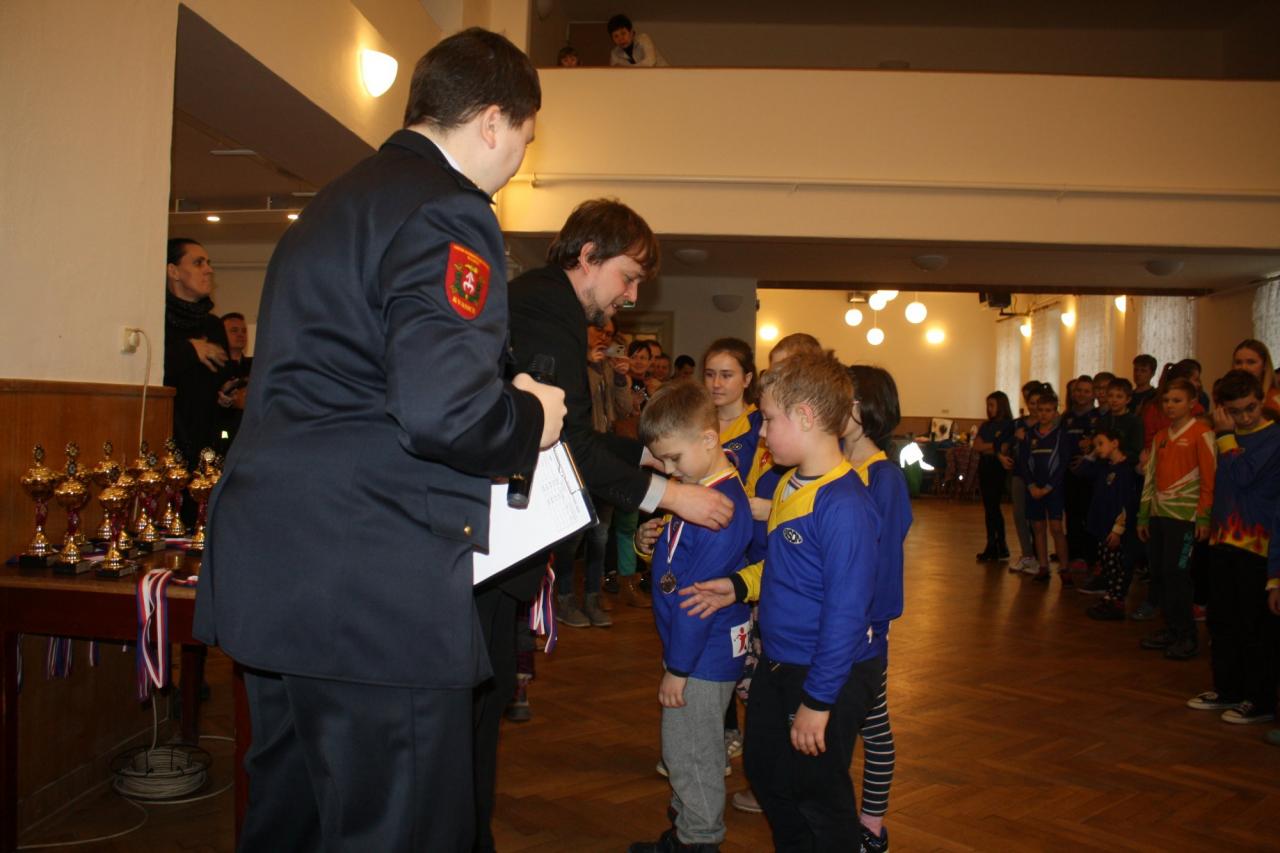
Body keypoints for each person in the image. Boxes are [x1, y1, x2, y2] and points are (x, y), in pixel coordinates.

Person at [193, 30, 567, 851]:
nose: (519, 160)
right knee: (401, 830)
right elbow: (445, 412)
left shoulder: (330, 206)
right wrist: (532, 416)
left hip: (275, 568)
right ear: (494, 121)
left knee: (289, 823)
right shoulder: (448, 209)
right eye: (526, 138)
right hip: (371, 585)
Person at [503, 197, 737, 846]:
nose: (630, 297)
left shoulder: (548, 301)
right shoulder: (548, 306)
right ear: (588, 256)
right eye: (628, 277)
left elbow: (580, 432)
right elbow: (568, 444)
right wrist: (672, 494)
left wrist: (647, 455)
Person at [679, 352, 884, 851]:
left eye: (769, 420)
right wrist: (739, 585)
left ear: (806, 417)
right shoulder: (792, 483)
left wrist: (818, 701)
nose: (763, 434)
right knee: (766, 768)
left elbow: (846, 613)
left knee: (817, 791)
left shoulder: (845, 505)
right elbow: (786, 567)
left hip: (826, 673)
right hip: (780, 662)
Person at [628, 383, 754, 853]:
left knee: (692, 752)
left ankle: (699, 840)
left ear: (708, 439)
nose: (668, 471)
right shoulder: (703, 486)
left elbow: (695, 602)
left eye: (674, 459)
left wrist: (678, 670)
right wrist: (651, 545)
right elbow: (680, 562)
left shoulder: (720, 510)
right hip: (694, 649)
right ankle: (686, 825)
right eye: (662, 461)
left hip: (700, 654)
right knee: (684, 743)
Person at [840, 364, 911, 853]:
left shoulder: (883, 477)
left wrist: (867, 626)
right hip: (837, 625)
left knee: (874, 725)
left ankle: (871, 827)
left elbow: (883, 566)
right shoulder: (839, 466)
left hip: (862, 632)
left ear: (865, 408)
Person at [1185, 370, 1280, 723]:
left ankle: (1260, 699)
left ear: (1262, 401)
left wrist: (1225, 436)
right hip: (1223, 540)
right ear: (1224, 408)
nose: (1245, 417)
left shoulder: (1273, 437)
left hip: (1257, 546)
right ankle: (1228, 689)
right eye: (1235, 411)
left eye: (1250, 408)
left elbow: (1243, 475)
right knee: (1222, 622)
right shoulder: (1227, 435)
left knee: (1253, 627)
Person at [1137, 377, 1216, 660]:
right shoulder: (1160, 436)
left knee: (1178, 574)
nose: (1170, 405)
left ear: (1192, 403)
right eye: (1167, 401)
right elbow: (1150, 478)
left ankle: (1187, 635)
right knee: (1160, 573)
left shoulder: (1202, 432)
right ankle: (1171, 628)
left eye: (1177, 400)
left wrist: (1204, 518)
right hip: (1159, 516)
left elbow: (1209, 479)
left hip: (1185, 518)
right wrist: (1143, 516)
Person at [164, 238, 230, 467]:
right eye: (198, 263)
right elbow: (151, 370)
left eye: (208, 263)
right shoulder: (155, 319)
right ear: (173, 271)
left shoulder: (213, 325)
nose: (209, 270)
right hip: (167, 437)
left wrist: (228, 394)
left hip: (208, 440)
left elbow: (221, 379)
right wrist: (190, 350)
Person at [1080, 428, 1141, 620]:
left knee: (1118, 567)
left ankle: (1117, 601)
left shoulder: (1126, 470)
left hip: (1116, 530)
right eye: (1095, 445)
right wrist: (1092, 452)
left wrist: (1118, 530)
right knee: (1108, 564)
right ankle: (1110, 597)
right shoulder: (1104, 467)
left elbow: (1126, 503)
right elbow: (1082, 471)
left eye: (1101, 444)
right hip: (1103, 527)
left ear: (1115, 443)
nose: (1097, 449)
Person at [1019, 386, 1071, 585]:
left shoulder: (1061, 434)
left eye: (1048, 410)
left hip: (1053, 489)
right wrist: (1032, 486)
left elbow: (1063, 464)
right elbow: (1023, 463)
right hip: (1034, 489)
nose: (1043, 414)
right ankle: (1043, 566)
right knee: (1038, 528)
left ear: (1055, 412)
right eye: (1040, 410)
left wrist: (1048, 487)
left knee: (1056, 528)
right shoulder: (1029, 435)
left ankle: (1064, 568)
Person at [1001, 381, 1045, 574]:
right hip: (1019, 473)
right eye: (1031, 403)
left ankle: (1040, 558)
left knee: (1037, 518)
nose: (1034, 407)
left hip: (1040, 475)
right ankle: (1027, 555)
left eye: (1038, 403)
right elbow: (1002, 444)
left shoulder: (1048, 425)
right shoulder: (1018, 424)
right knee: (1019, 514)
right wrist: (1003, 454)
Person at [1062, 375, 1100, 578]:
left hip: (1090, 475)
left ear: (1093, 394)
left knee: (1089, 515)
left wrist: (1089, 453)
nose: (1082, 394)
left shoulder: (1098, 417)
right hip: (1069, 474)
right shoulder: (1066, 417)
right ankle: (1075, 555)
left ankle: (1090, 557)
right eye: (1078, 390)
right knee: (1072, 515)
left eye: (1086, 391)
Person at [975, 391, 1014, 561]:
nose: (989, 409)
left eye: (992, 405)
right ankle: (993, 543)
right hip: (985, 465)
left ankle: (998, 544)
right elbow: (977, 446)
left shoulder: (1008, 425)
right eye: (988, 405)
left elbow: (1004, 448)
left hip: (998, 466)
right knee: (989, 507)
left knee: (993, 506)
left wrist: (991, 446)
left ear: (1001, 405)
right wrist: (994, 445)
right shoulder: (986, 425)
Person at [214, 312, 252, 453]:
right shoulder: (213, 367)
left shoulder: (256, 365)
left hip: (250, 435)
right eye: (234, 330)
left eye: (244, 331)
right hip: (220, 435)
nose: (241, 335)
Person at [1231, 338, 1280, 419]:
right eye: (1238, 362)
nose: (1243, 367)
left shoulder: (1273, 399)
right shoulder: (1229, 399)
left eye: (1251, 362)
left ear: (1264, 365)